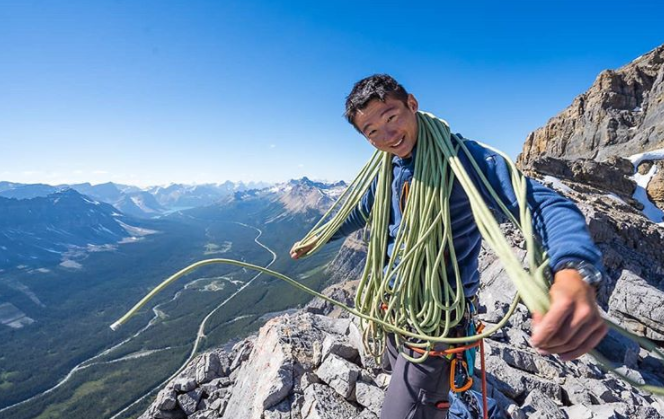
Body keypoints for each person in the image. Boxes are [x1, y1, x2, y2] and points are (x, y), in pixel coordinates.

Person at [290, 74, 607, 419]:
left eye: (391, 117)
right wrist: (319, 238)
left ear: (412, 104)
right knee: (405, 378)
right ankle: (455, 400)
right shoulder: (388, 169)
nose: (388, 136)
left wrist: (574, 271)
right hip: (394, 312)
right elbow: (362, 210)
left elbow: (542, 204)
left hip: (436, 326)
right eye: (372, 132)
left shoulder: (462, 160)